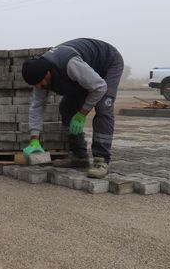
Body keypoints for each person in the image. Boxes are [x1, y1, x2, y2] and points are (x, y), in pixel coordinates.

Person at [20, 38, 124, 178]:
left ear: (48, 73)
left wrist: (82, 113)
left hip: (107, 63)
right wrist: (34, 138)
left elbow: (100, 87)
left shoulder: (70, 65)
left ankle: (101, 160)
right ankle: (79, 156)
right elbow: (37, 106)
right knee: (67, 108)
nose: (39, 87)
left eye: (40, 82)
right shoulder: (39, 75)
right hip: (87, 70)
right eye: (36, 85)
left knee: (103, 108)